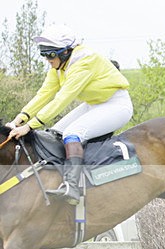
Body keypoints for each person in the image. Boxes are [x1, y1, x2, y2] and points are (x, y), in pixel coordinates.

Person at [5, 24, 133, 205]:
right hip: (94, 105)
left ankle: (73, 188)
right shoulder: (59, 67)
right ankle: (58, 180)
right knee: (53, 134)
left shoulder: (84, 62)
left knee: (72, 134)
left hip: (116, 105)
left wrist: (29, 126)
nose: (47, 60)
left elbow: (61, 100)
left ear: (65, 52)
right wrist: (19, 119)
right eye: (44, 54)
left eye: (50, 55)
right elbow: (44, 94)